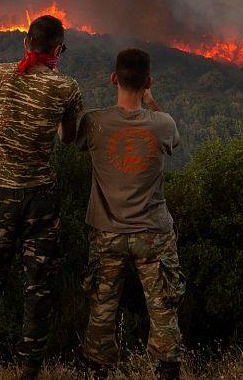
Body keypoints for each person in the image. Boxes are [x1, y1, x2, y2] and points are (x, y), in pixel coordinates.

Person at [0, 14, 83, 380]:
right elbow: (68, 138)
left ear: (26, 43)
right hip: (41, 201)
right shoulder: (66, 88)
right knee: (38, 288)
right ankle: (29, 372)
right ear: (57, 49)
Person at [75, 48, 185, 380]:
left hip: (107, 232)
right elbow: (173, 141)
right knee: (163, 308)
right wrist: (150, 102)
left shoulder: (94, 122)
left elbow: (73, 140)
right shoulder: (162, 123)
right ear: (148, 82)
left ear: (113, 79)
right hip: (153, 232)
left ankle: (97, 370)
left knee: (102, 309)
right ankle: (166, 371)